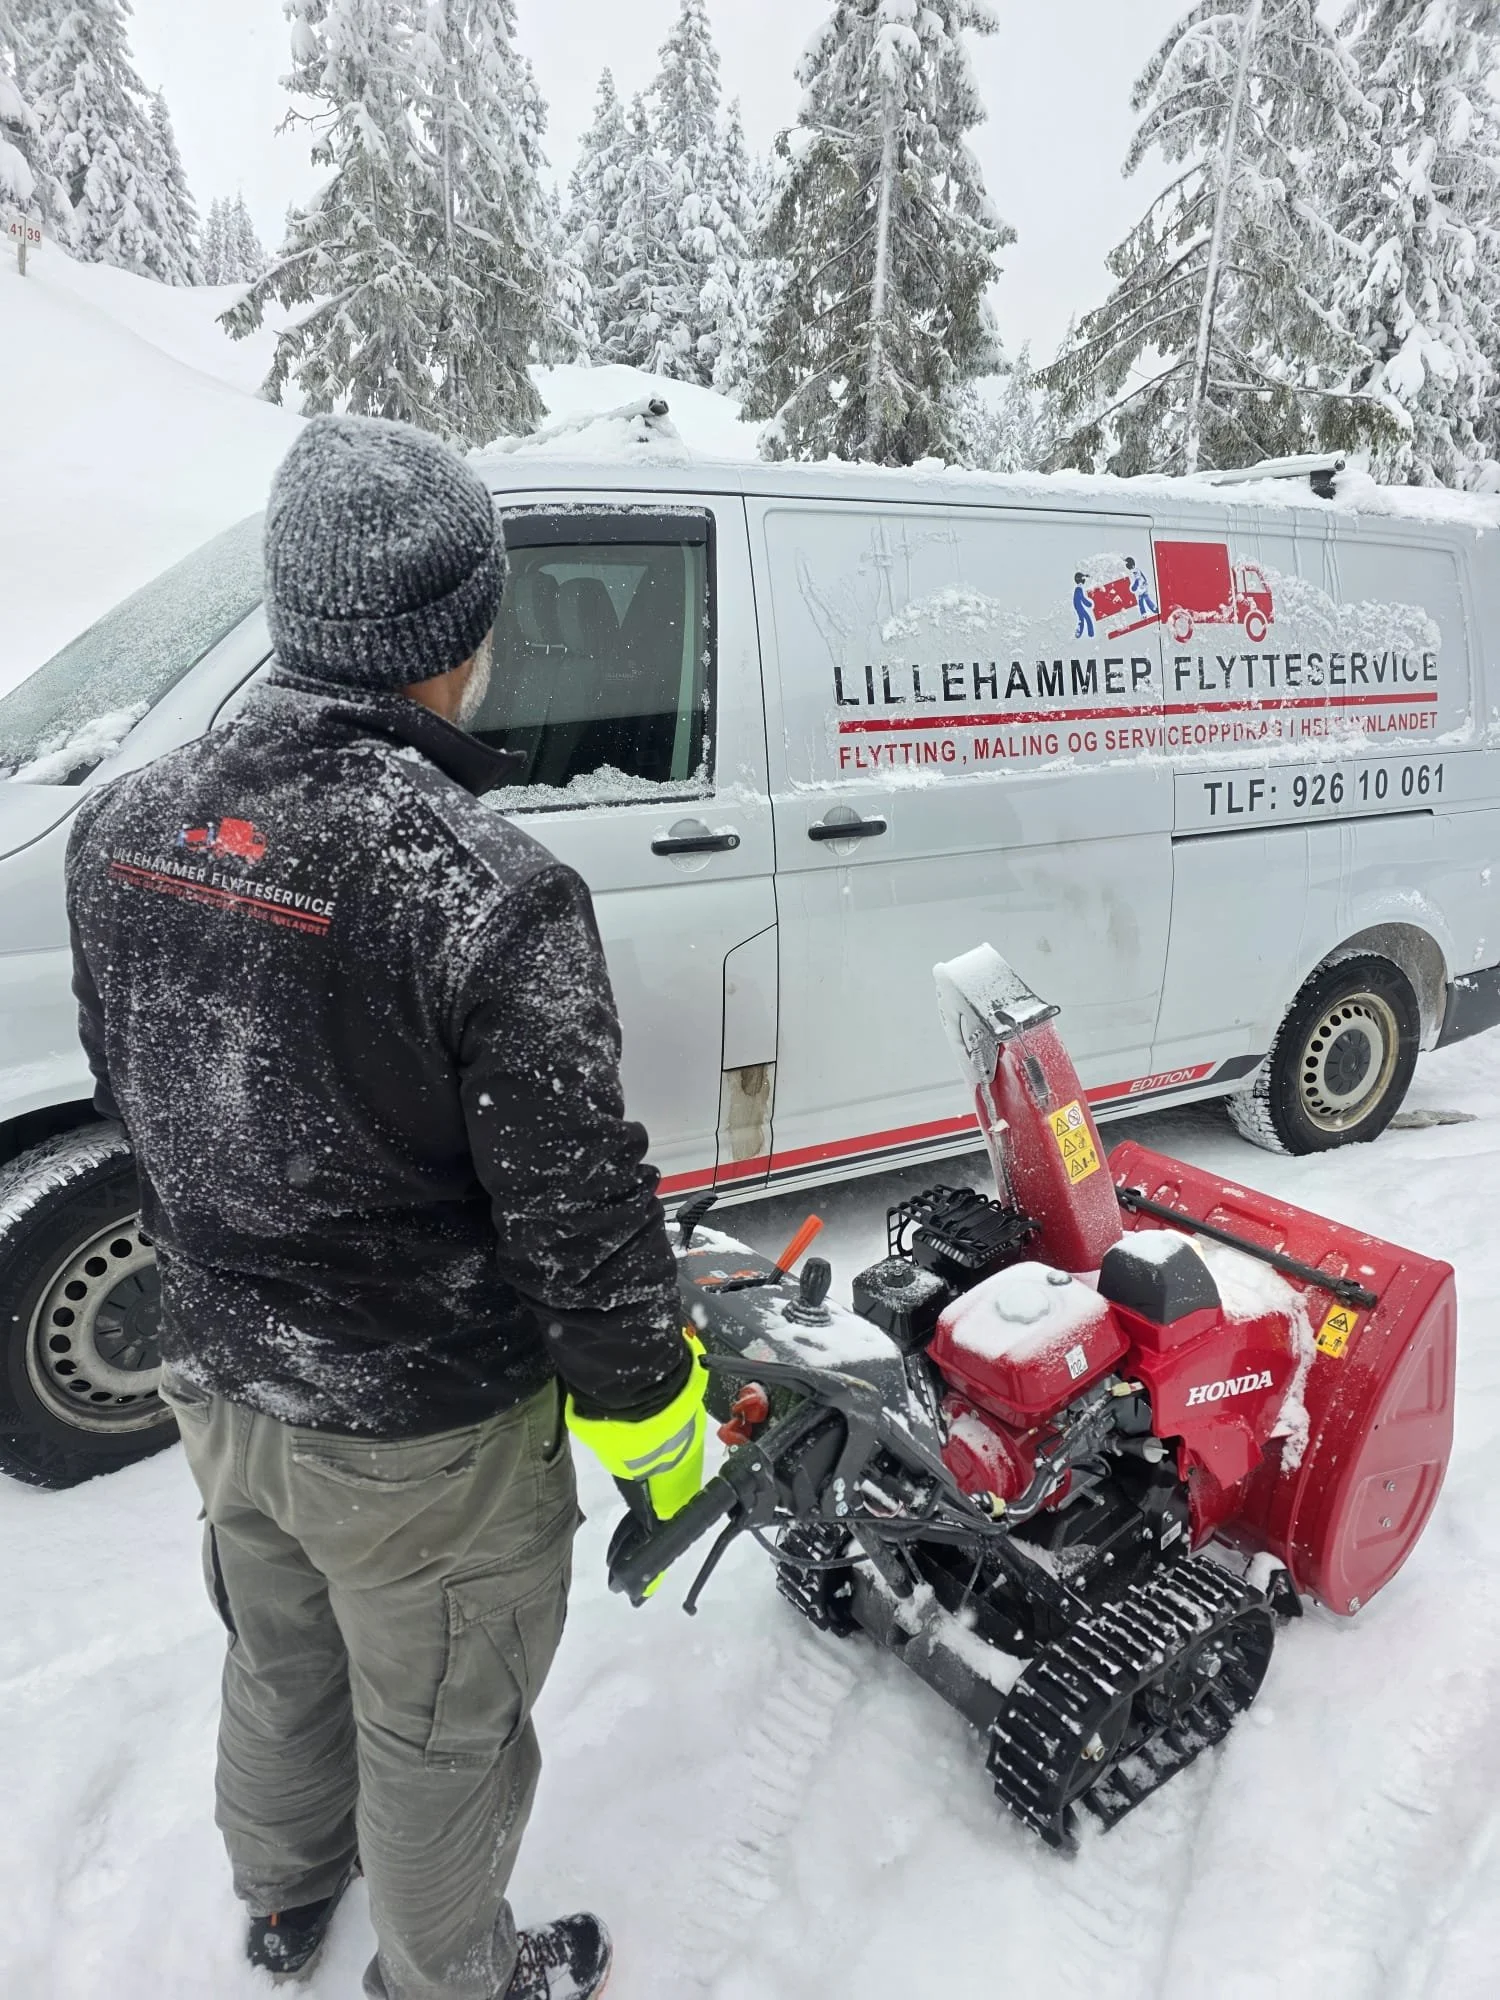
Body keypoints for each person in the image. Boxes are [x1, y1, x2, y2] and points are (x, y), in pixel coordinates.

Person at [65, 415, 709, 2000]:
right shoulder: (485, 890)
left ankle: (282, 1892)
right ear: (457, 639)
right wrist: (659, 1426)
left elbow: (134, 1091)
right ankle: (450, 1980)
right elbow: (581, 1216)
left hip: (220, 1379)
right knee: (437, 1726)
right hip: (421, 1437)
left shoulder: (123, 825)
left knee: (280, 1650)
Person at [1072, 571, 1096, 639]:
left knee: (1083, 619)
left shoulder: (1078, 588)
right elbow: (1081, 598)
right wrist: (1089, 604)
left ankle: (1081, 634)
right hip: (1079, 606)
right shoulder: (1078, 589)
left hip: (1078, 606)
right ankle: (1088, 633)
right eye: (1083, 578)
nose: (1084, 580)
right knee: (1085, 619)